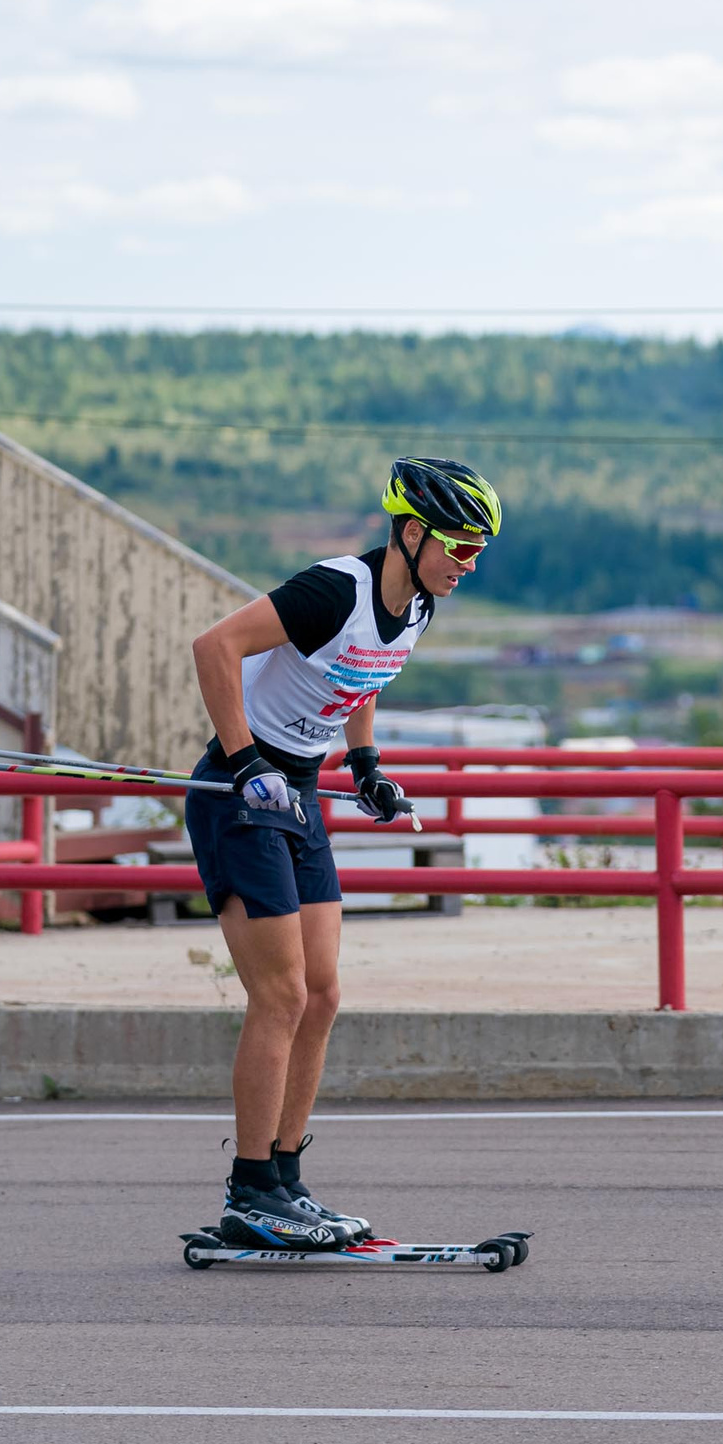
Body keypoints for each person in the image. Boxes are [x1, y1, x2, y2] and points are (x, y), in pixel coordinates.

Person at [184, 456, 502, 1248]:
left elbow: (363, 677)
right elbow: (214, 646)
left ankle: (286, 1179)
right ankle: (250, 1191)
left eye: (479, 551)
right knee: (281, 995)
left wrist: (365, 766)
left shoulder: (418, 606)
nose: (470, 565)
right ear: (411, 532)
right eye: (461, 547)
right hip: (239, 792)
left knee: (323, 994)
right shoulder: (333, 590)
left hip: (299, 789)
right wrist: (246, 761)